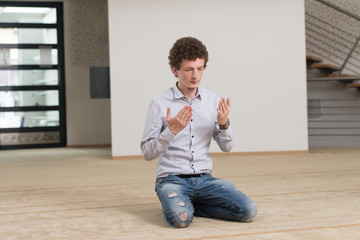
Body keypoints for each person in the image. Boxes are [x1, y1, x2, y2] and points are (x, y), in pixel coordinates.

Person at [140, 37, 257, 228]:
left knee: (248, 210)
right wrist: (171, 131)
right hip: (171, 180)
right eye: (188, 69)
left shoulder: (212, 100)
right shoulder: (159, 103)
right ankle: (179, 206)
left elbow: (227, 147)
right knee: (181, 219)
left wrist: (223, 123)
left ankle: (190, 205)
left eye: (200, 69)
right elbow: (147, 152)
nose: (195, 75)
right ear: (175, 70)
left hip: (205, 180)